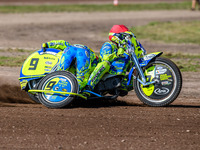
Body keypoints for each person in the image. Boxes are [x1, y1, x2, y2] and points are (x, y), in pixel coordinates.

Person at [86, 25, 145, 96]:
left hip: (118, 79)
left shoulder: (124, 51)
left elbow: (128, 67)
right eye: (124, 37)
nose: (126, 39)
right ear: (116, 36)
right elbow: (105, 58)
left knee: (135, 75)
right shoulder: (108, 45)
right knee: (105, 63)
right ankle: (89, 87)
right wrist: (116, 54)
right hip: (105, 75)